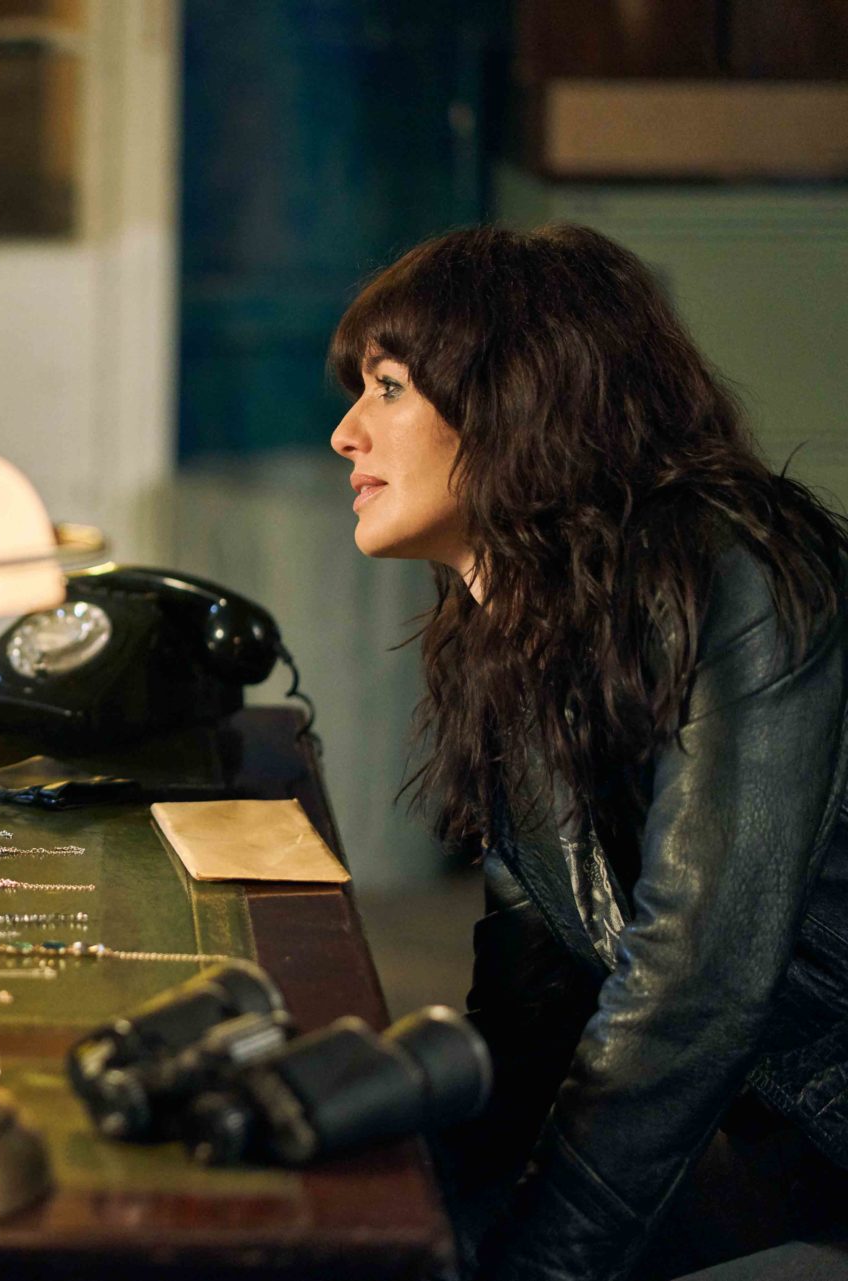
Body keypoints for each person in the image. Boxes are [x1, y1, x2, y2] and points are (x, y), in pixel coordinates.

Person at [328, 224, 848, 1281]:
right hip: (737, 1102)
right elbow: (533, 993)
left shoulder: (743, 571)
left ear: (518, 397)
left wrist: (540, 1262)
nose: (346, 434)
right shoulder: (512, 624)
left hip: (809, 1116)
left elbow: (698, 982)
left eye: (388, 388)